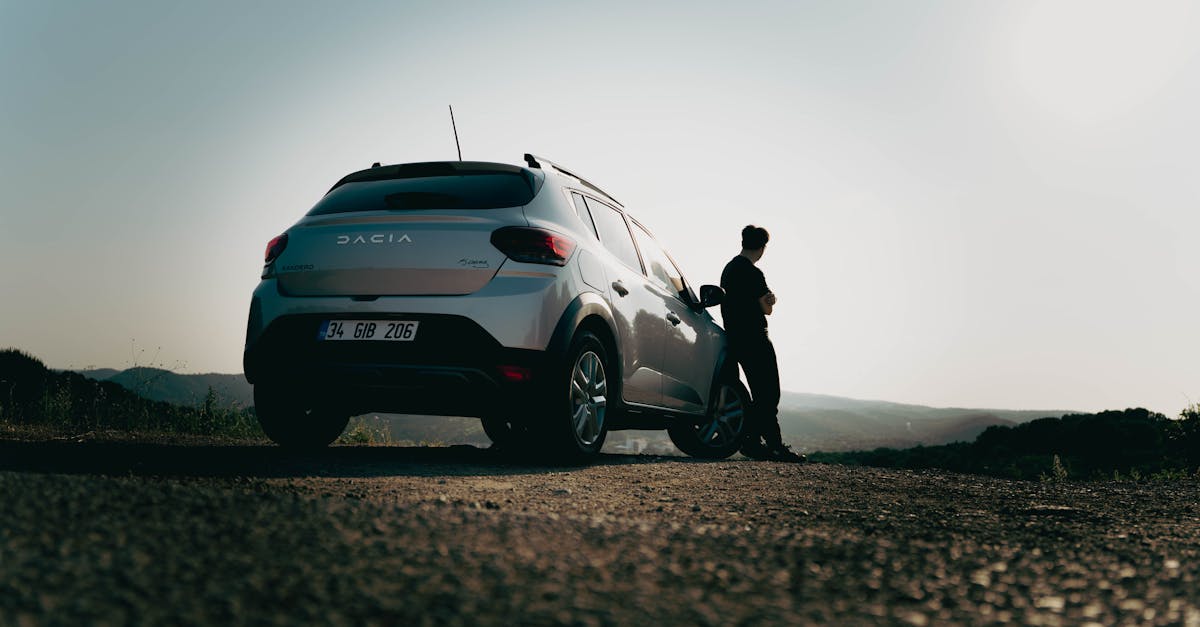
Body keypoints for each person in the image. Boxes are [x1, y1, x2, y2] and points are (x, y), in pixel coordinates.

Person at [720, 225, 806, 463]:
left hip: (735, 337)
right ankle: (773, 446)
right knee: (769, 394)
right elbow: (766, 309)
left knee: (756, 392)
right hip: (756, 337)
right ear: (762, 248)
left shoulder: (728, 269)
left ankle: (753, 442)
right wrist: (771, 300)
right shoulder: (754, 273)